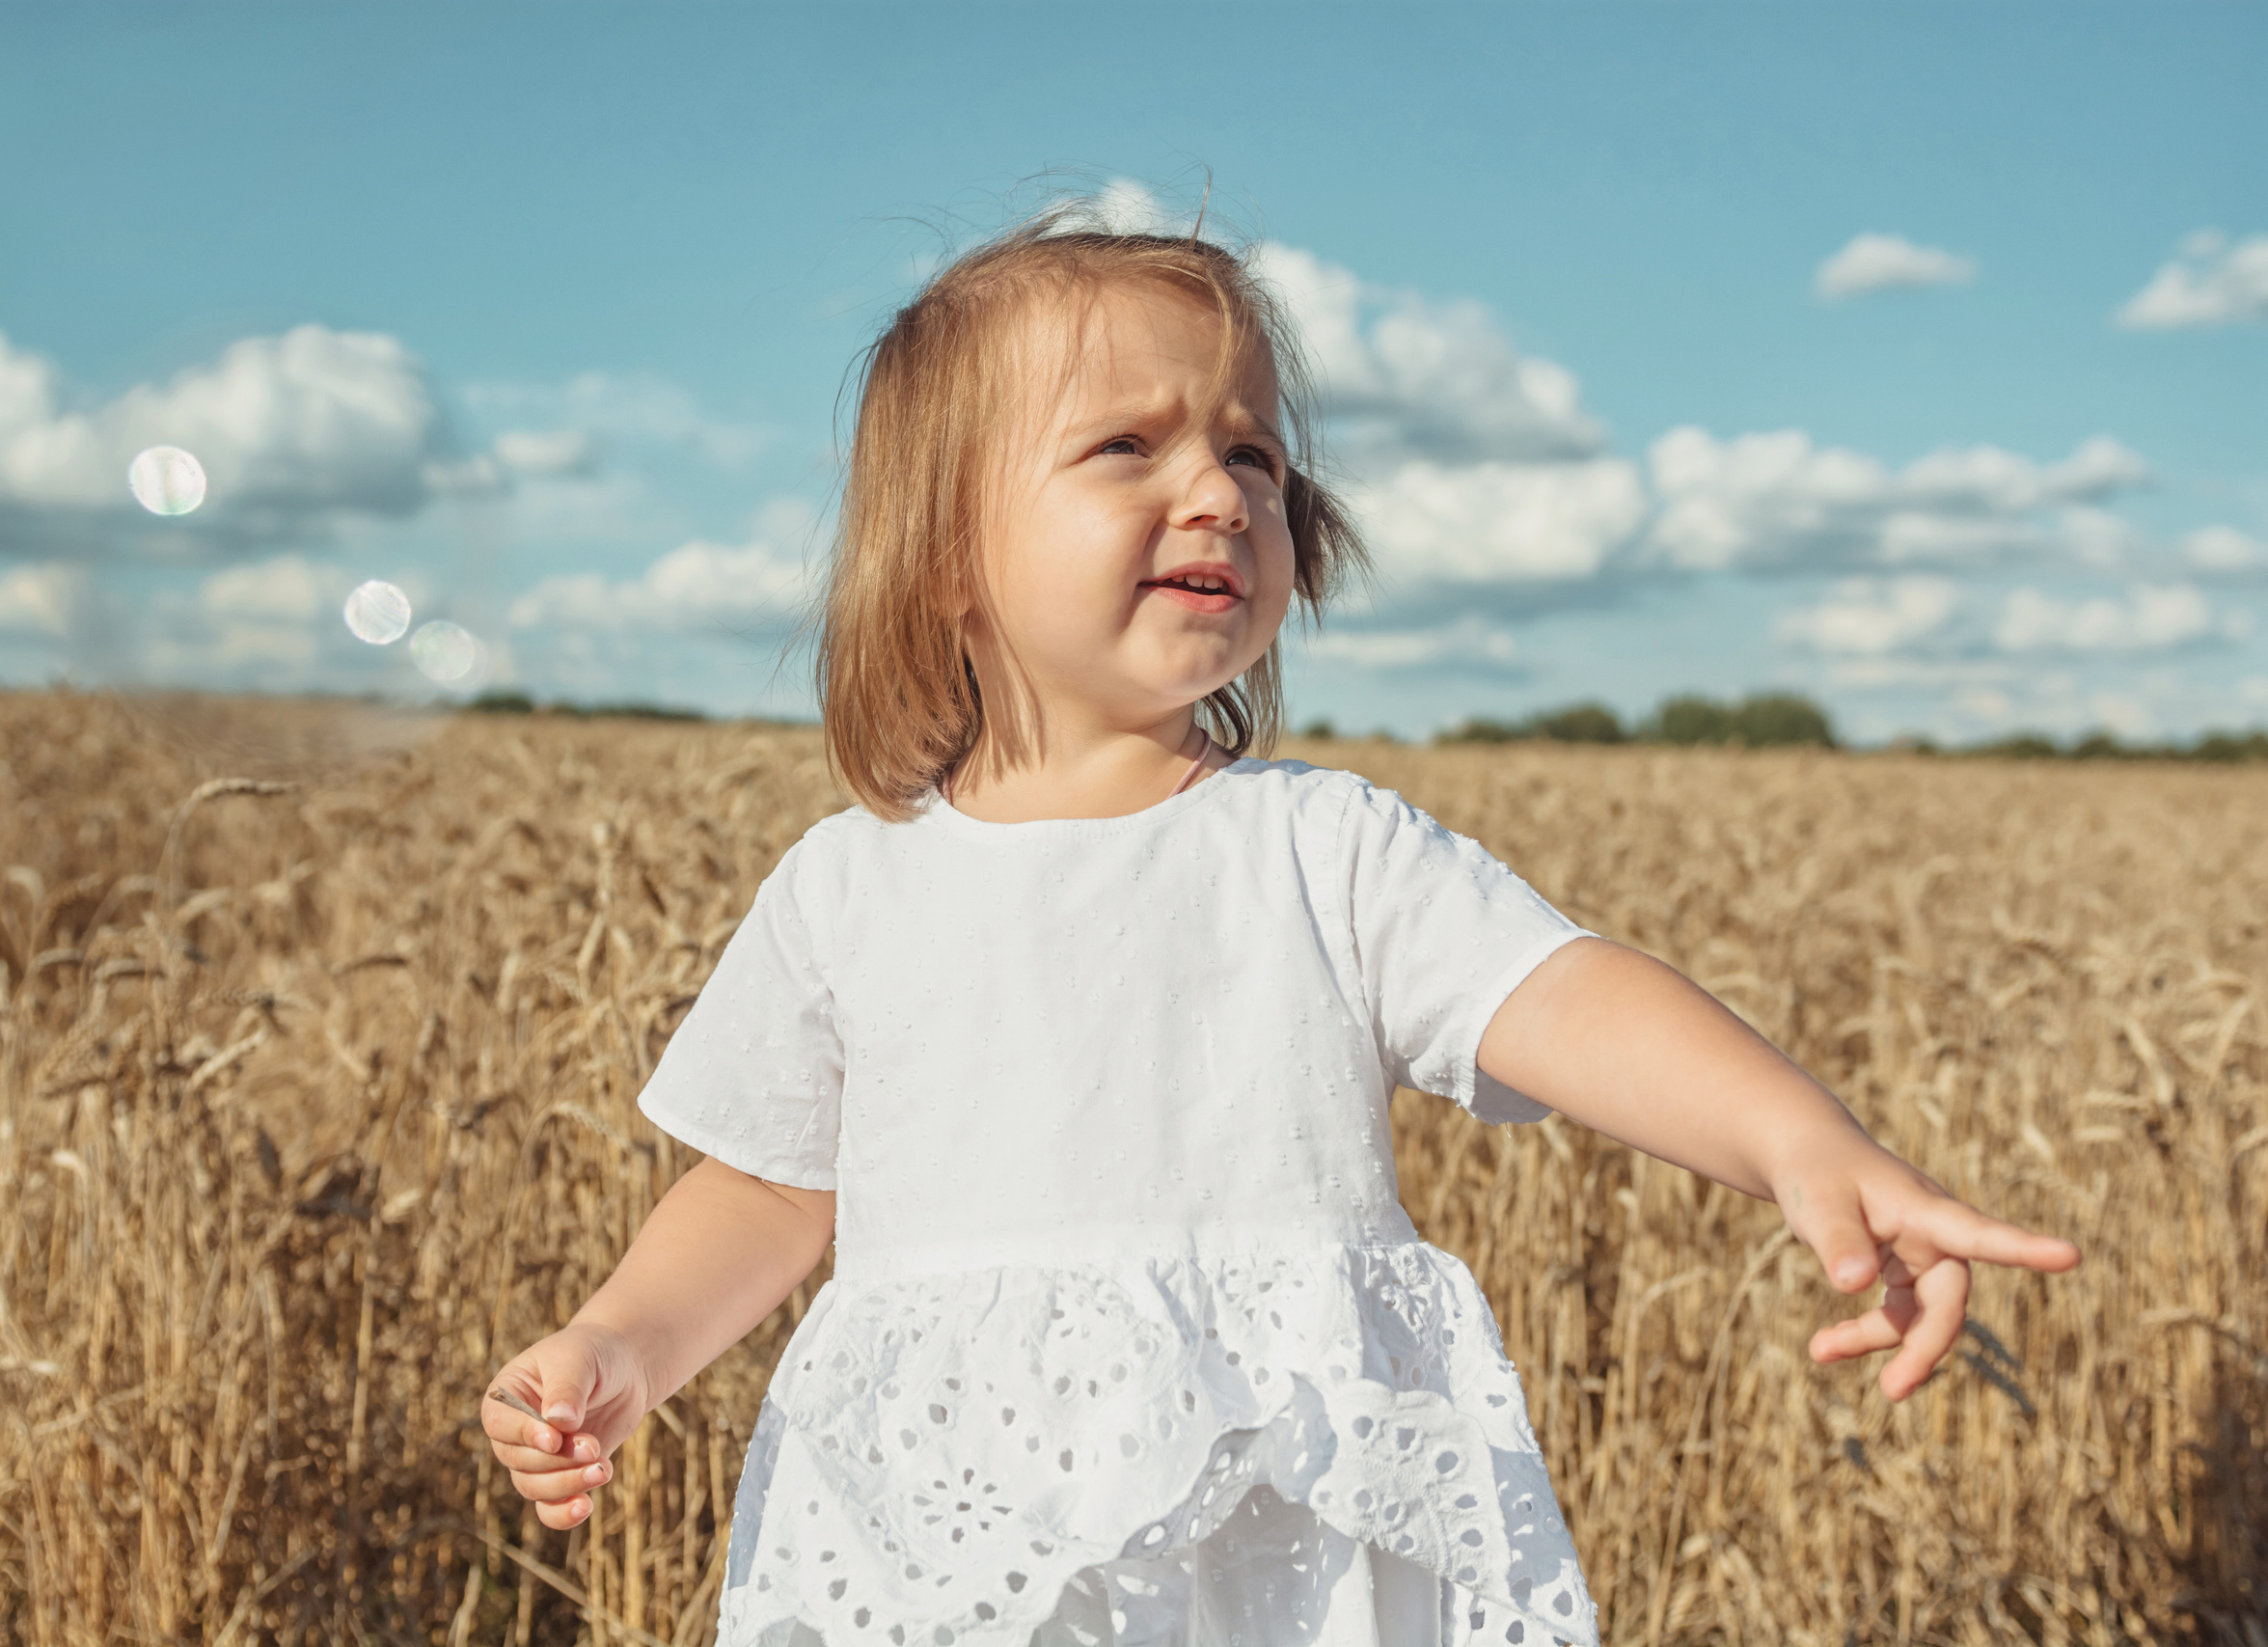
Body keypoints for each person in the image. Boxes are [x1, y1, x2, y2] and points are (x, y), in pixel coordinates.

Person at [478, 209, 2081, 1647]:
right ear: (947, 556)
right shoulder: (849, 886)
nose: (1221, 490)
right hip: (949, 1532)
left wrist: (1805, 1142)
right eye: (1128, 446)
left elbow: (1564, 993)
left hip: (1289, 1532)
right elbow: (768, 1184)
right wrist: (623, 1343)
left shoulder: (1322, 848)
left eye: (1251, 453)